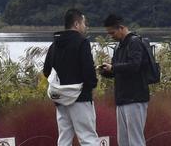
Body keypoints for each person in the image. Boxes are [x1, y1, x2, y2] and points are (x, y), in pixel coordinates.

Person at [43, 8, 99, 146]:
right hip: (80, 97)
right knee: (88, 138)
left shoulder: (54, 44)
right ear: (76, 24)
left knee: (64, 138)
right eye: (84, 23)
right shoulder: (82, 42)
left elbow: (46, 71)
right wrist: (92, 85)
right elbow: (88, 70)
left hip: (60, 98)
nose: (85, 26)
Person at [98, 14, 150, 146]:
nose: (111, 36)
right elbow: (118, 71)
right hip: (122, 99)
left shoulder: (135, 42)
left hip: (135, 98)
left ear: (121, 28)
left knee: (135, 140)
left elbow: (134, 66)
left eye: (112, 33)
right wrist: (106, 71)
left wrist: (113, 67)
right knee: (123, 141)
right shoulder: (118, 46)